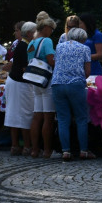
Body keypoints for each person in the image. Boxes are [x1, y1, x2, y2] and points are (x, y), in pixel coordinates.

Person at [51, 27, 94, 161]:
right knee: (81, 118)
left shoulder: (59, 47)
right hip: (75, 84)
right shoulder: (85, 48)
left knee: (63, 119)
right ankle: (83, 150)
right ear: (82, 39)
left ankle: (66, 151)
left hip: (57, 84)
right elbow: (87, 71)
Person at [3, 22, 37, 156]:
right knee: (25, 114)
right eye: (35, 32)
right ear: (29, 33)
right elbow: (26, 69)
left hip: (14, 81)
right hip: (21, 83)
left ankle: (15, 145)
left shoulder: (21, 45)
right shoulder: (26, 46)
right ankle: (27, 146)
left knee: (14, 113)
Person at [29, 14, 58, 159]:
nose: (52, 32)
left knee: (37, 116)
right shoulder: (47, 41)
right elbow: (51, 60)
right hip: (46, 81)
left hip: (35, 80)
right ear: (46, 28)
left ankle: (35, 150)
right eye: (51, 29)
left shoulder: (31, 43)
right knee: (48, 117)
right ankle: (47, 150)